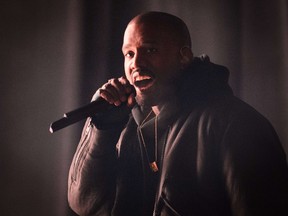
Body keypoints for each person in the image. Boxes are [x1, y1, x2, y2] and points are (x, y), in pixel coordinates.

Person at [67, 11, 288, 216]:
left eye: (150, 50)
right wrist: (102, 130)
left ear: (183, 57)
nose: (136, 63)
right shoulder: (130, 127)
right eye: (129, 53)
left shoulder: (237, 124)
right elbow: (84, 205)